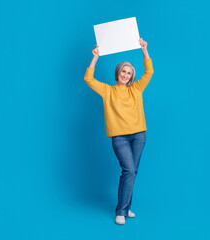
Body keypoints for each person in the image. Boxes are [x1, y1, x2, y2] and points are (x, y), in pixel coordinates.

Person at [84, 38, 154, 225]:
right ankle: (121, 211)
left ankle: (126, 207)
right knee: (128, 170)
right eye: (123, 71)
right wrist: (95, 57)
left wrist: (144, 51)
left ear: (132, 77)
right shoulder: (108, 91)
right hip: (120, 138)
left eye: (129, 73)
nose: (126, 75)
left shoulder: (136, 90)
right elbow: (88, 79)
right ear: (118, 73)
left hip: (139, 135)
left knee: (132, 172)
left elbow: (149, 72)